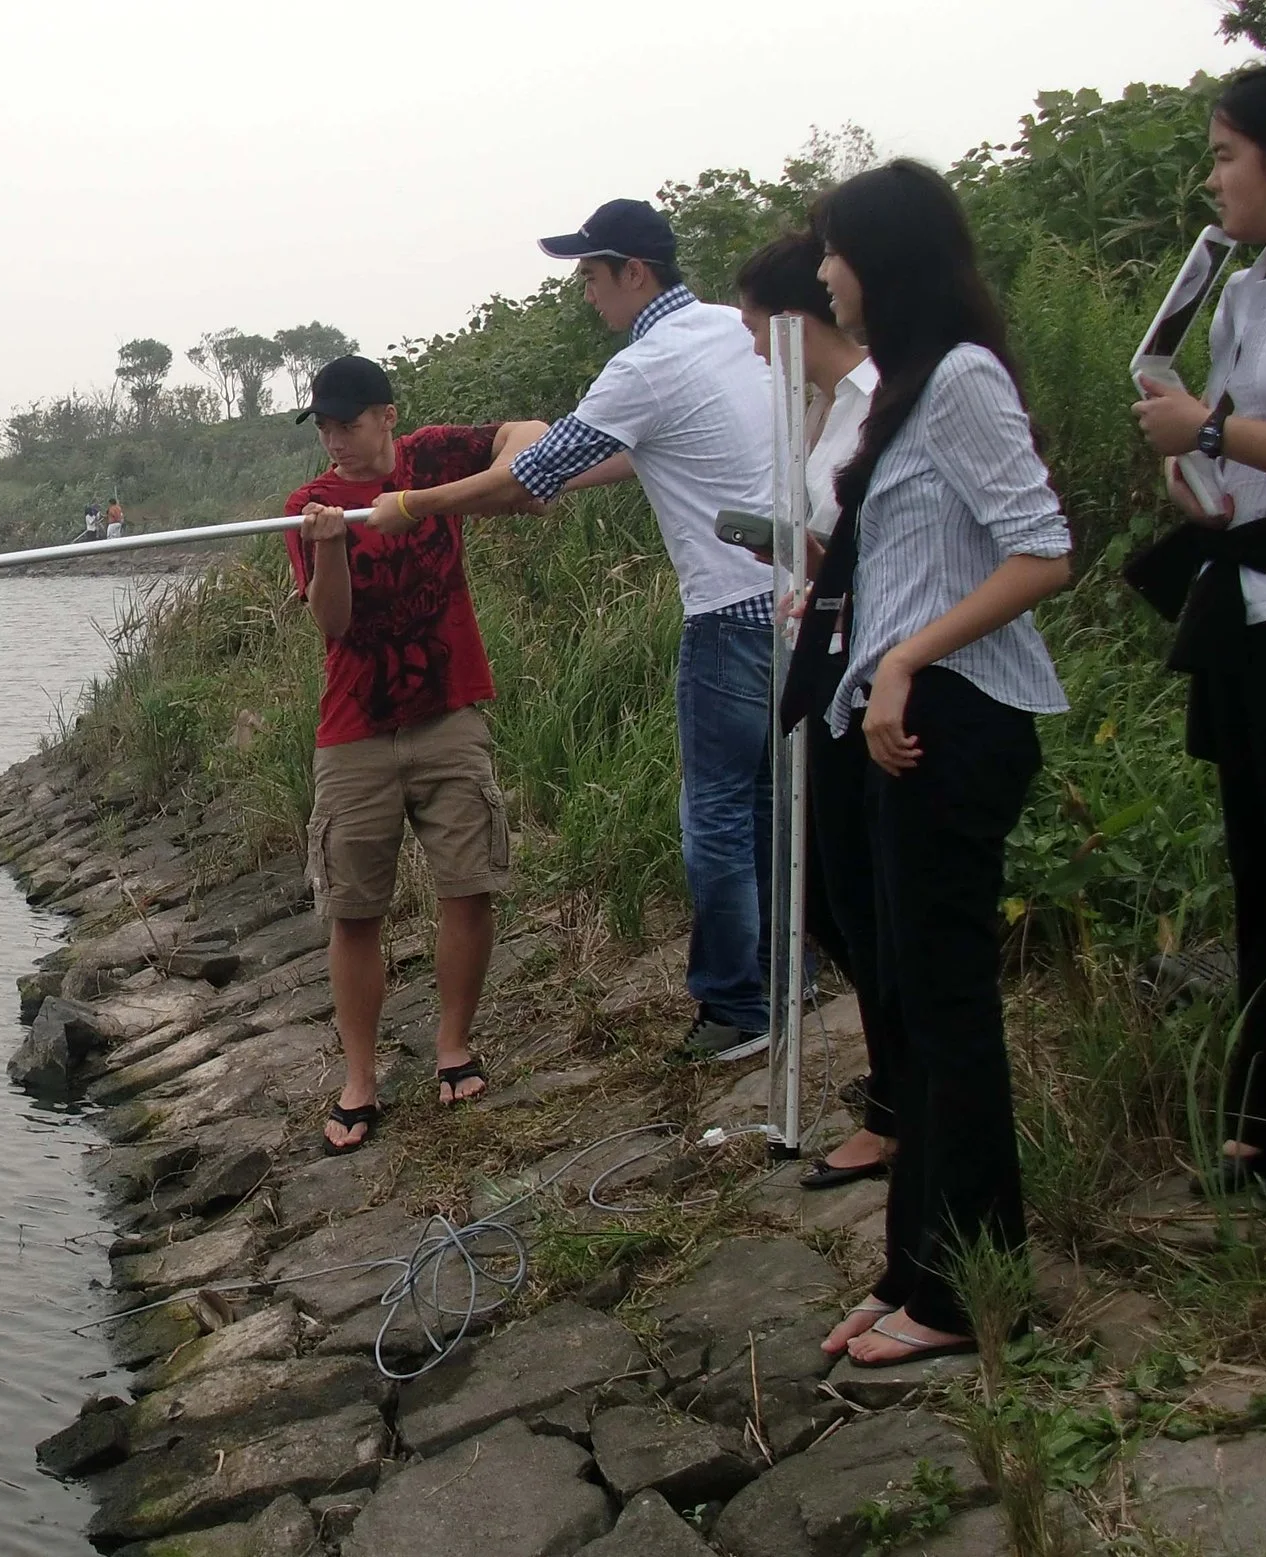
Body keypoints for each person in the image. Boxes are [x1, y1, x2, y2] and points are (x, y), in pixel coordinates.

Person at [386, 198, 780, 1064]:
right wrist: (544, 478)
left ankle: (736, 1007)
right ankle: (788, 977)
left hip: (728, 614)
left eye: (593, 277)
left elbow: (524, 479)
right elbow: (642, 451)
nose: (588, 294)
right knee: (769, 802)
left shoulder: (646, 363)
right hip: (796, 600)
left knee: (715, 815)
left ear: (634, 273)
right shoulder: (729, 329)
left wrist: (412, 505)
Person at [789, 162, 1071, 1367]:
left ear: (883, 258)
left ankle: (964, 1295)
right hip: (898, 720)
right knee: (908, 1003)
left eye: (832, 249)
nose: (821, 273)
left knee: (946, 1008)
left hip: (953, 718)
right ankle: (914, 1267)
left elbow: (1041, 550)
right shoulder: (901, 388)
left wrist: (905, 659)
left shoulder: (958, 376)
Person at [1129, 60, 1266, 1191]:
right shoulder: (1257, 281)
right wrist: (1197, 470)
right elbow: (1241, 437)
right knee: (1265, 865)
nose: (1213, 179)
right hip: (1255, 600)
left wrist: (1211, 434)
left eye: (1226, 156)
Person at [286, 355, 547, 1154]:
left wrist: (463, 493)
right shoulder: (308, 504)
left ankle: (453, 1045)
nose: (336, 439)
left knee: (468, 885)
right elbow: (332, 624)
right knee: (353, 909)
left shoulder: (432, 455)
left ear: (387, 417)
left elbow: (531, 435)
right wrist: (331, 545)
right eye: (324, 426)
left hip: (448, 712)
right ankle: (359, 1079)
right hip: (355, 730)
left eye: (349, 423)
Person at [733, 232, 893, 1193]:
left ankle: (899, 1101)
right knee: (830, 891)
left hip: (873, 666)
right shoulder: (818, 410)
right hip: (818, 657)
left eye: (757, 327)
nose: (754, 348)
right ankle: (896, 1075)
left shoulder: (882, 402)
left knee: (857, 889)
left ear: (794, 318)